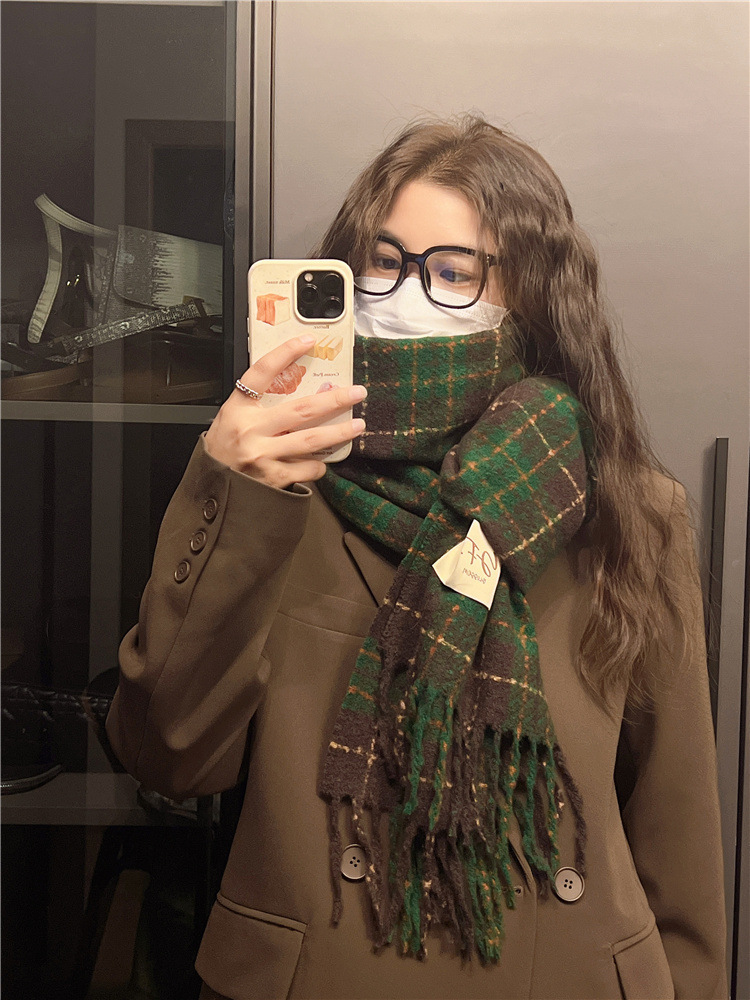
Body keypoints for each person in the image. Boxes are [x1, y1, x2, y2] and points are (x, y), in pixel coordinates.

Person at [106, 116, 727, 1000]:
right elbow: (170, 755)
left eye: (453, 272)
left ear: (532, 296)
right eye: (384, 261)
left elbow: (677, 828)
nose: (405, 293)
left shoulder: (627, 511)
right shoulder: (282, 486)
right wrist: (229, 486)